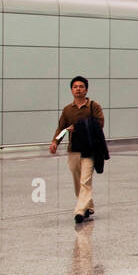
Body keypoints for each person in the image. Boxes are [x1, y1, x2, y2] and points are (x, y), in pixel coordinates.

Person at [50, 75, 106, 225]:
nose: (78, 89)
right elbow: (61, 127)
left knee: (85, 180)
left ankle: (80, 211)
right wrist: (55, 141)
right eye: (75, 87)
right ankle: (88, 206)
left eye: (81, 87)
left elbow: (100, 124)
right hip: (74, 149)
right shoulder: (68, 110)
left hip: (90, 149)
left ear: (86, 90)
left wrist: (79, 127)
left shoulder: (94, 106)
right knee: (77, 180)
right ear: (71, 90)